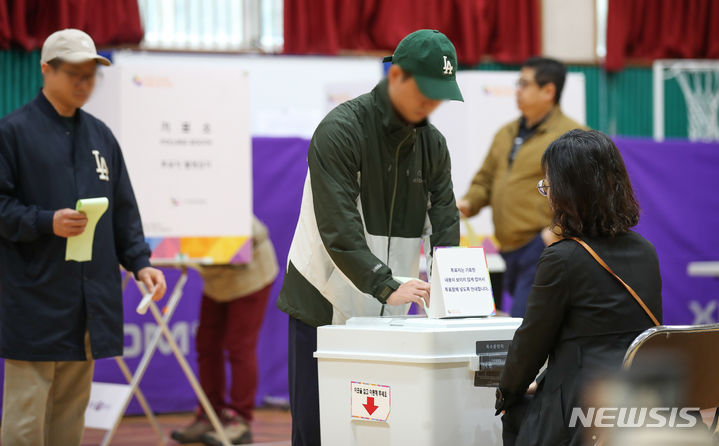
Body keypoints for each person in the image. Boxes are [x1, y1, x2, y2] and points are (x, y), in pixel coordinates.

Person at [276, 29, 463, 445]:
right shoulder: (341, 130)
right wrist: (384, 282)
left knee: (379, 429)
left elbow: (446, 223)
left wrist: (455, 292)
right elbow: (338, 228)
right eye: (425, 91)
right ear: (395, 76)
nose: (431, 105)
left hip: (390, 310)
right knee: (319, 428)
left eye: (440, 95)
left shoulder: (433, 145)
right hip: (324, 302)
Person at [0, 29, 166, 446]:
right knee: (25, 419)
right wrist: (45, 221)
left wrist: (141, 262)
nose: (84, 83)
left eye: (91, 74)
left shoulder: (101, 137)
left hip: (89, 298)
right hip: (34, 295)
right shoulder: (12, 133)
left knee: (72, 413)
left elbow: (123, 212)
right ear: (45, 70)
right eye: (74, 73)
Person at [494, 129, 663, 445]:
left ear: (568, 193)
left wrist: (506, 393)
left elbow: (530, 345)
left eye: (549, 186)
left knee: (514, 414)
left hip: (580, 416)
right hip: (639, 406)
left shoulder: (562, 258)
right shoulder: (646, 251)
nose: (549, 196)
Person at [456, 57, 585, 317]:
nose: (518, 90)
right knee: (523, 324)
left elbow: (583, 193)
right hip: (508, 250)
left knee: (522, 325)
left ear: (548, 91)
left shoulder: (571, 135)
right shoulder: (506, 132)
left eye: (524, 84)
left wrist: (556, 233)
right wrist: (468, 203)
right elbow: (485, 180)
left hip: (542, 248)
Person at [171, 216, 279, 445]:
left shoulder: (215, 190)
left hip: (249, 271)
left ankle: (240, 420)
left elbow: (238, 239)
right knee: (207, 344)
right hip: (216, 274)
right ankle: (210, 415)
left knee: (239, 346)